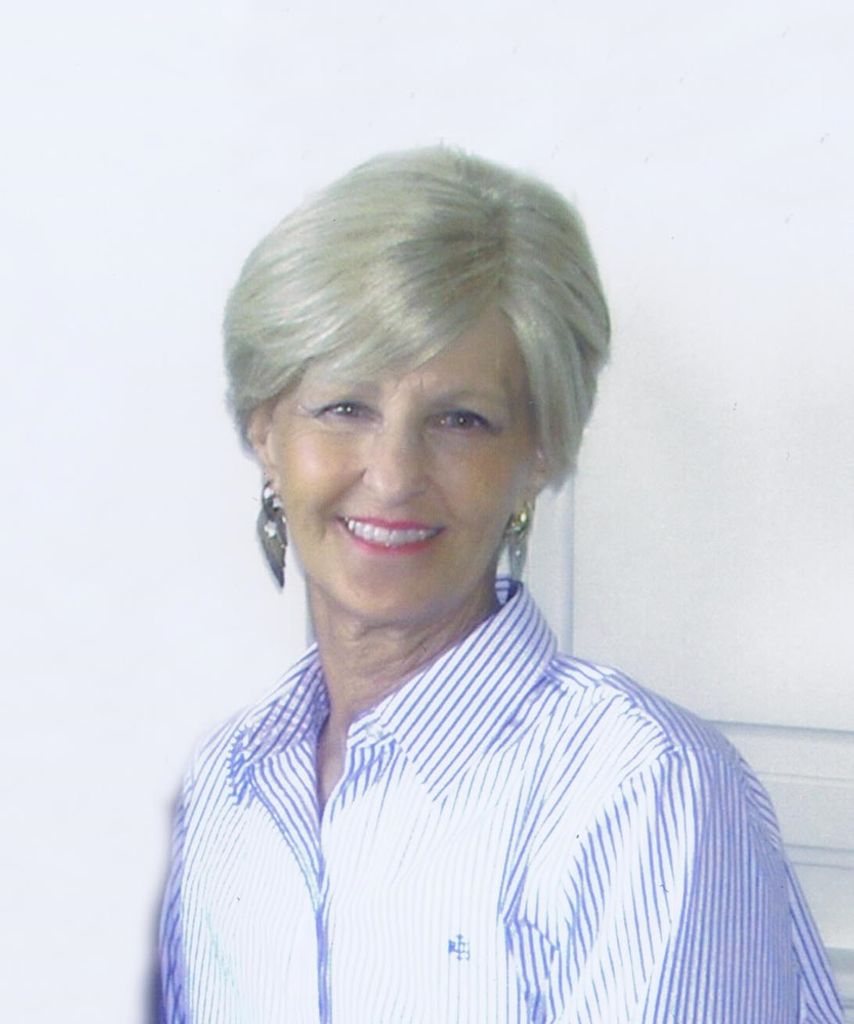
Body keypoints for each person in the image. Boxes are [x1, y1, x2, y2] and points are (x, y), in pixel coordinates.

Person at [159, 148, 842, 1023]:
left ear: (538, 455)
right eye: (345, 408)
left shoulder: (642, 793)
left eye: (461, 420)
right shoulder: (229, 786)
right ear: (266, 433)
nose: (393, 475)